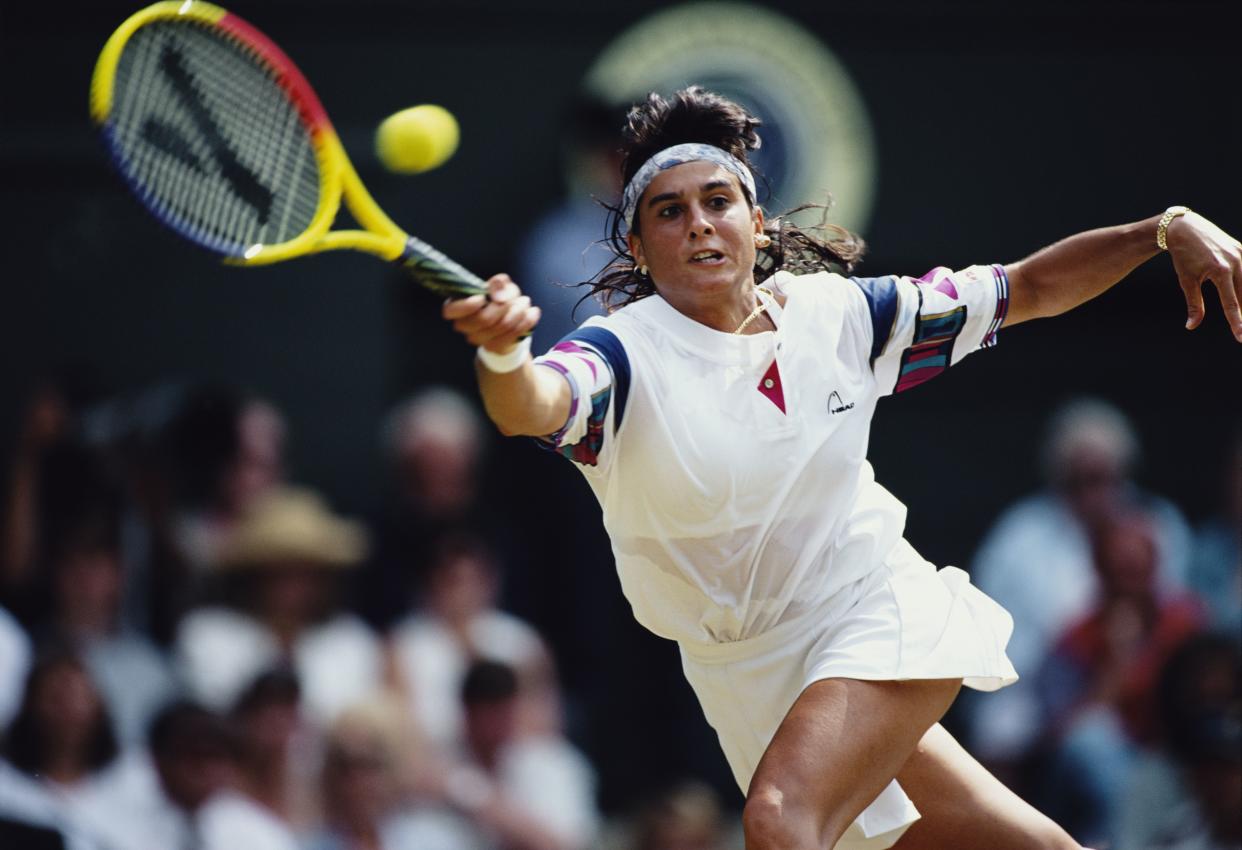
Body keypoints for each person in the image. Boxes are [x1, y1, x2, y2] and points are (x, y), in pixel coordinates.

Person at [441, 86, 1242, 849]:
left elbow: (1026, 288)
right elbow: (532, 405)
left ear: (756, 224)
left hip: (870, 610)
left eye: (717, 202)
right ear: (639, 247)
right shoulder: (620, 355)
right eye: (669, 211)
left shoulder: (843, 316)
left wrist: (1162, 230)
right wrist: (507, 354)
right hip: (743, 674)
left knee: (780, 820)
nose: (698, 225)